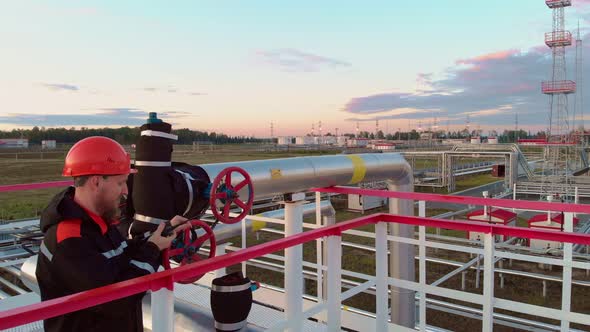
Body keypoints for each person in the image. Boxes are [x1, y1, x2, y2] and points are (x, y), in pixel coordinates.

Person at [36, 136, 190, 332]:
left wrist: (158, 235)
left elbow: (121, 258)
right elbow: (117, 300)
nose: (125, 190)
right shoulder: (68, 240)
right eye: (120, 183)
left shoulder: (97, 223)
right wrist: (152, 249)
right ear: (96, 182)